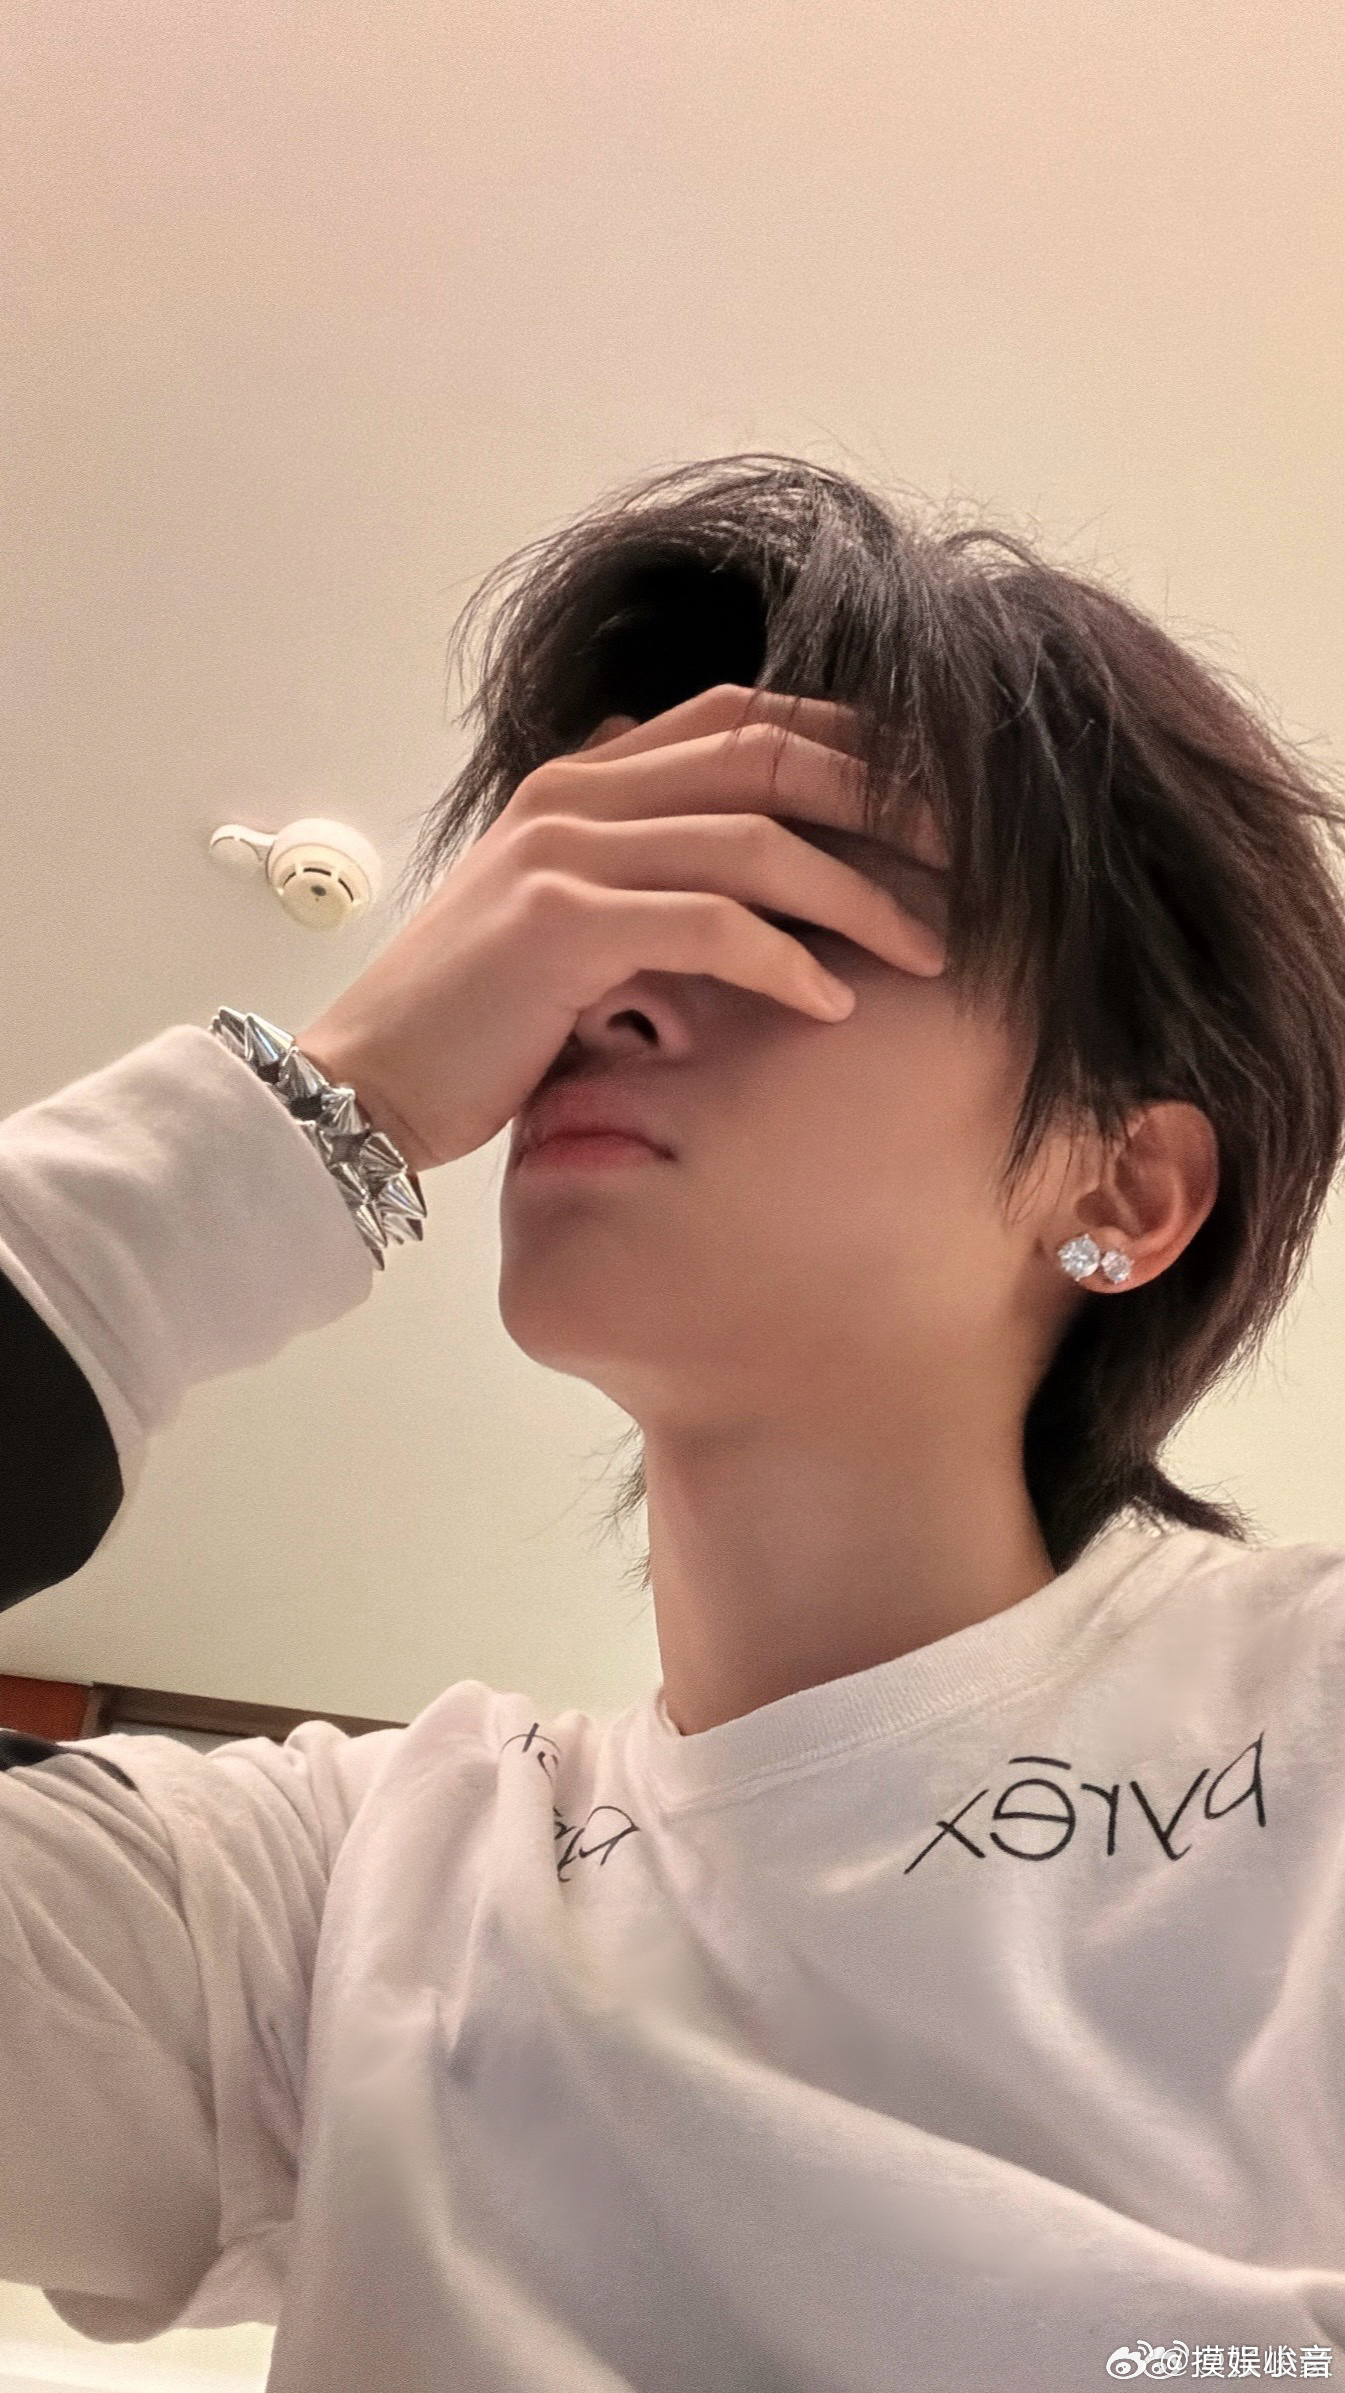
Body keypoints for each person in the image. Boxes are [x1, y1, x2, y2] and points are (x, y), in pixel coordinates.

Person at [2, 453, 1345, 2392]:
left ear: (1119, 1190)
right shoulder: (331, 1916)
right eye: (585, 885)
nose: (598, 992)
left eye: (769, 902)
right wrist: (322, 1107)